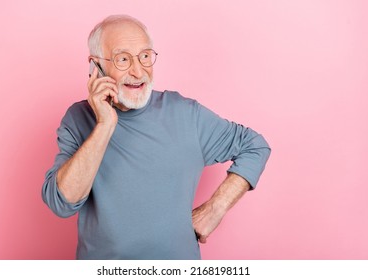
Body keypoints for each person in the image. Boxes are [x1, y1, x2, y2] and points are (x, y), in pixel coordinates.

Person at [42, 14, 271, 260]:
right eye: (122, 59)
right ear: (95, 66)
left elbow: (254, 146)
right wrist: (105, 124)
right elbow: (62, 203)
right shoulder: (77, 119)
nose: (138, 70)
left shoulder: (186, 114)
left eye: (145, 56)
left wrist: (215, 208)